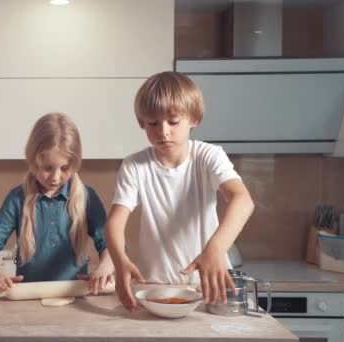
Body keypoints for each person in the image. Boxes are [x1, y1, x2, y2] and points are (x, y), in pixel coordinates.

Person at [105, 71, 255, 310]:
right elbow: (115, 221)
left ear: (193, 119)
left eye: (173, 122)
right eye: (152, 123)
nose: (163, 131)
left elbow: (243, 200)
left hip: (207, 284)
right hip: (156, 287)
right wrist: (120, 260)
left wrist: (215, 249)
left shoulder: (208, 156)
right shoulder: (134, 165)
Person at [0, 113, 114, 293]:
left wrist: (105, 267)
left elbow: (111, 244)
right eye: (47, 168)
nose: (55, 177)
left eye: (64, 168)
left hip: (74, 296)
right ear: (32, 161)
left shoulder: (87, 197)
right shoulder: (18, 199)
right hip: (27, 298)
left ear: (75, 163)